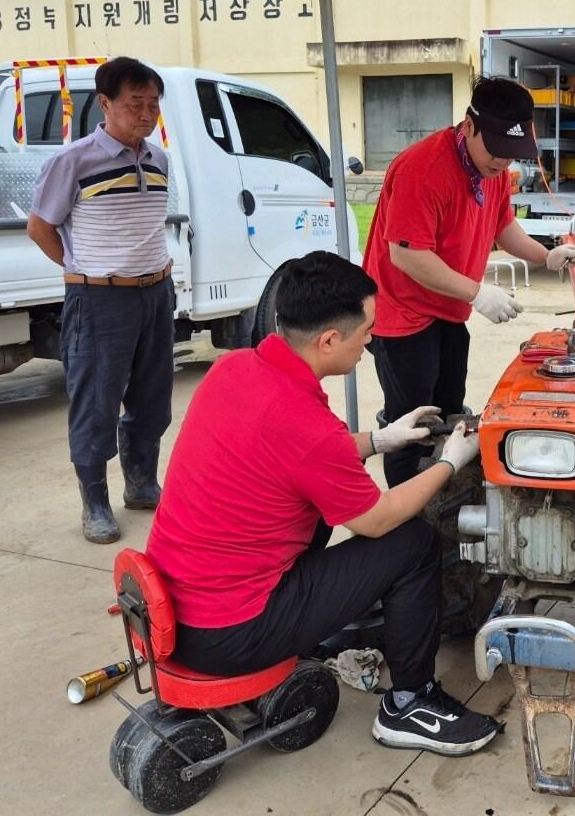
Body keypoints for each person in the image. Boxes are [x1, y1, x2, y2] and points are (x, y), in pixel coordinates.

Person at [145, 251, 501, 756]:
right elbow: (377, 520)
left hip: (182, 605)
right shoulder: (304, 423)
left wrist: (380, 440)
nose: (371, 341)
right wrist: (451, 461)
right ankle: (410, 703)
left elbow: (293, 456)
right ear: (330, 339)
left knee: (316, 513)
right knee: (413, 542)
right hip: (230, 632)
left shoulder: (236, 371)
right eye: (366, 332)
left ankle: (318, 633)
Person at [364, 77, 575, 487]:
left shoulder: (493, 170)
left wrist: (546, 255)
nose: (503, 162)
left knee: (450, 414)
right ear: (469, 126)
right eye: (497, 150)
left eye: (512, 155)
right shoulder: (422, 168)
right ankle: (405, 520)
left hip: (448, 307)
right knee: (411, 421)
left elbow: (503, 227)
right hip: (403, 311)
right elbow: (406, 254)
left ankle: (446, 503)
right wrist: (478, 291)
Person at [27, 57, 173, 544]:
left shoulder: (158, 159)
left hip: (156, 293)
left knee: (152, 398)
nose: (147, 114)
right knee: (96, 403)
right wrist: (80, 271)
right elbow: (40, 226)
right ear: (105, 103)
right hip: (98, 299)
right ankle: (94, 503)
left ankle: (141, 485)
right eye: (136, 104)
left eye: (153, 104)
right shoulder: (73, 162)